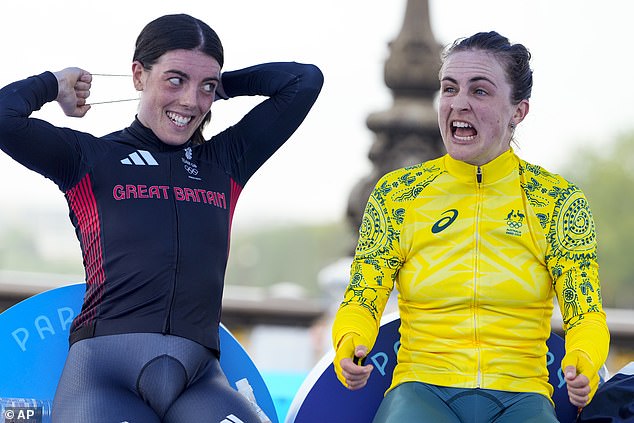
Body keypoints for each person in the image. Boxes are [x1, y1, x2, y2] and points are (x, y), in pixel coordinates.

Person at [0, 13, 323, 423]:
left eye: (204, 86)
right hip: (103, 378)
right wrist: (54, 83)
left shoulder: (225, 162)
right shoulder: (89, 158)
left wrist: (223, 85)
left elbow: (304, 81)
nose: (190, 101)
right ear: (138, 75)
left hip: (200, 382)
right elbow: (4, 116)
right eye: (175, 79)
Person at [331, 31, 609, 423]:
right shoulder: (398, 194)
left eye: (479, 91)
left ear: (518, 111)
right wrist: (351, 342)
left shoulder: (558, 201)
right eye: (449, 88)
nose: (458, 104)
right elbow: (362, 298)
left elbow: (586, 316)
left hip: (522, 396)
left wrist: (584, 359)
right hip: (420, 390)